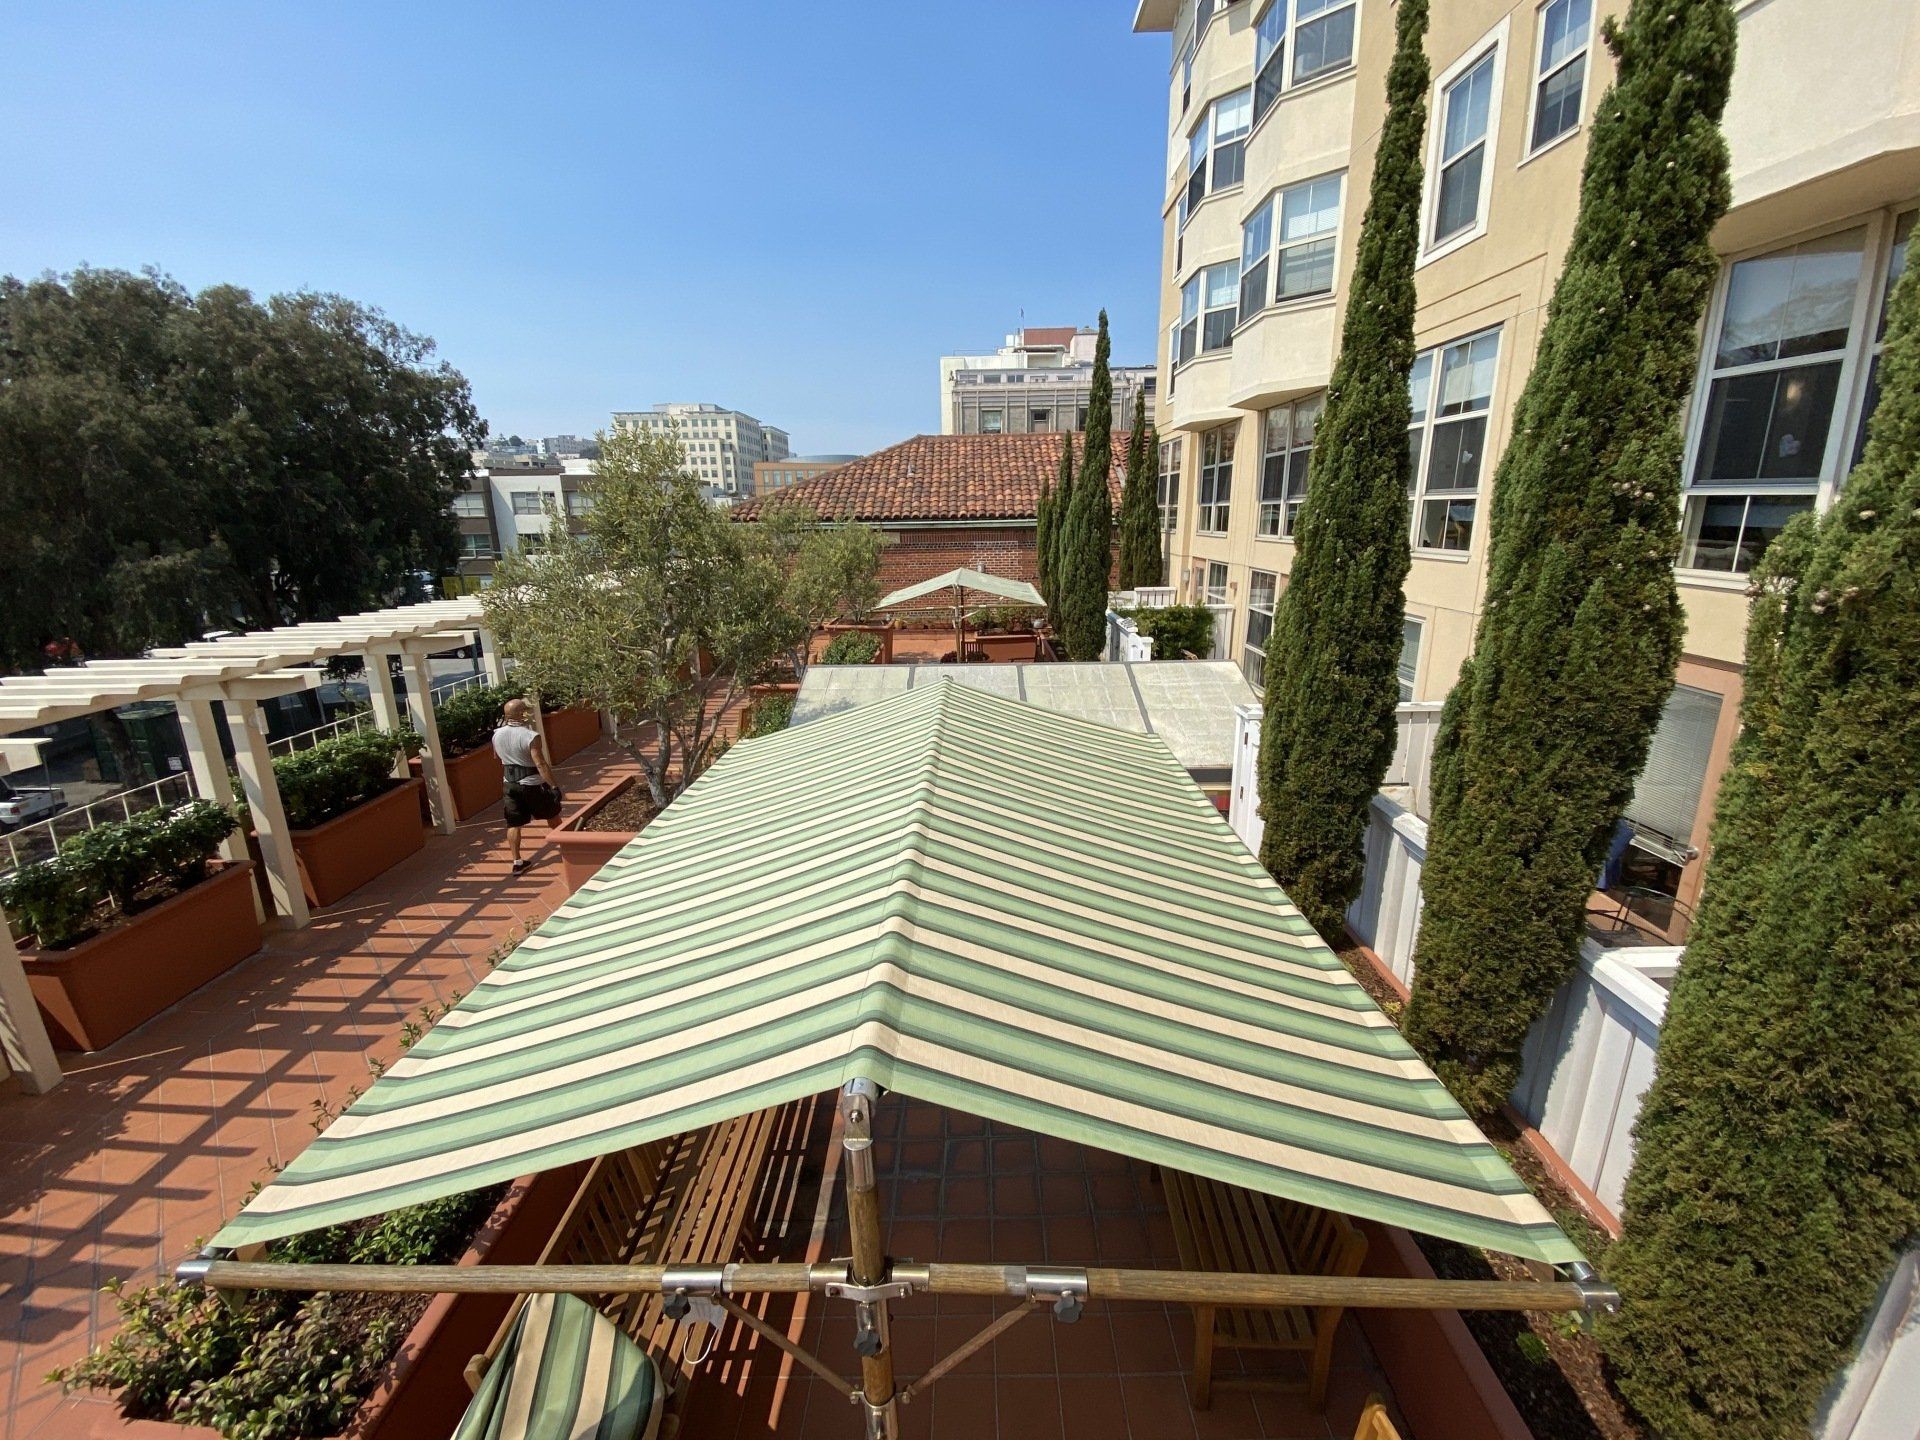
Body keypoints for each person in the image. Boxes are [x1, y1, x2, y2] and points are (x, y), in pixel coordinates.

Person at [494, 698, 562, 874]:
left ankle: (517, 862)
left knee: (513, 823)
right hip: (532, 784)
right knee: (552, 815)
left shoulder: (496, 735)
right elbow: (540, 763)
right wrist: (554, 786)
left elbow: (498, 757)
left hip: (509, 784)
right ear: (522, 714)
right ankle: (567, 846)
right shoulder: (531, 736)